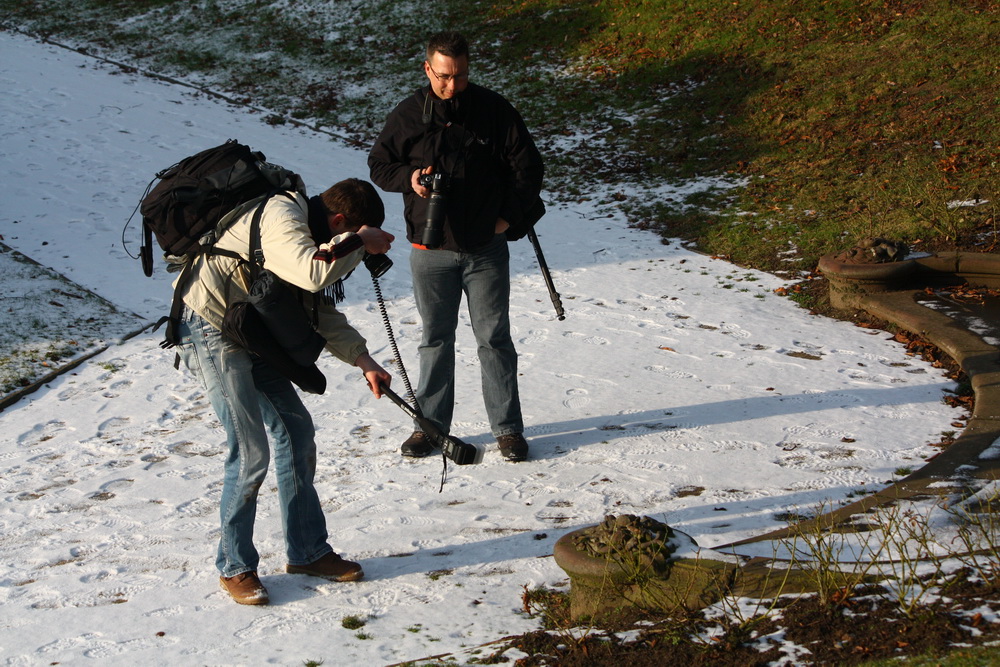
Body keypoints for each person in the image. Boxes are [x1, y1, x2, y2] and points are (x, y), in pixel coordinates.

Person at [174, 177, 395, 605]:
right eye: (348, 233)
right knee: (250, 449)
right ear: (339, 221)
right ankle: (235, 566)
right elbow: (315, 274)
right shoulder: (283, 215)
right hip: (208, 325)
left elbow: (314, 306)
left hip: (249, 326)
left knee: (296, 432)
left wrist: (363, 359)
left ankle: (308, 552)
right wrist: (360, 242)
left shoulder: (306, 234)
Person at [368, 31, 545, 463]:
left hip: (485, 247)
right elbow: (378, 165)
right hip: (429, 251)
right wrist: (409, 178)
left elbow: (529, 168)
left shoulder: (494, 111)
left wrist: (505, 220)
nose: (452, 85)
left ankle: (507, 430)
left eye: (460, 76)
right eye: (444, 76)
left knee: (494, 340)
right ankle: (429, 429)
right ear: (428, 69)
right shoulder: (409, 113)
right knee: (434, 341)